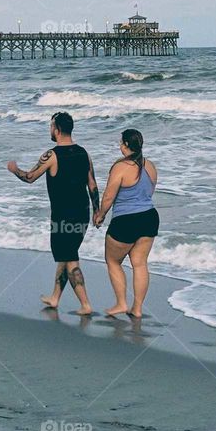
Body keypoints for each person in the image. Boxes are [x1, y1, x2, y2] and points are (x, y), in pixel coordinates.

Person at [8, 111, 100, 315]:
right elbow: (92, 185)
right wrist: (97, 211)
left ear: (57, 130)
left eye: (51, 126)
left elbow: (30, 177)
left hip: (63, 216)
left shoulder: (51, 155)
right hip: (82, 214)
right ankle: (55, 298)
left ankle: (86, 304)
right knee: (66, 256)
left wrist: (14, 169)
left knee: (70, 258)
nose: (50, 130)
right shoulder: (84, 153)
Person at [93, 129, 160, 318]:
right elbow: (148, 193)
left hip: (126, 220)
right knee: (139, 263)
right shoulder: (151, 166)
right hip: (149, 217)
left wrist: (100, 214)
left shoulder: (120, 167)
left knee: (113, 261)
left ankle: (121, 303)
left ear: (127, 145)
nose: (119, 146)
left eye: (121, 143)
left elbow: (108, 196)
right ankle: (137, 309)